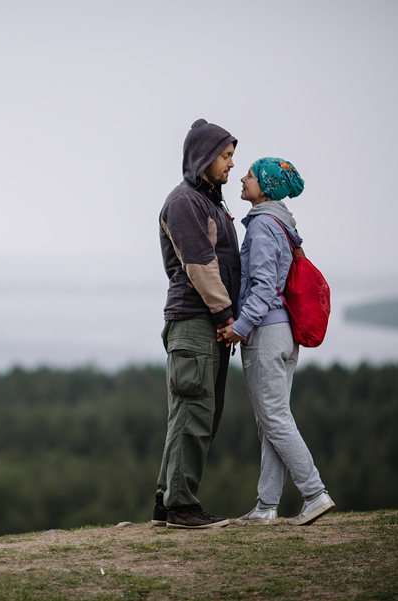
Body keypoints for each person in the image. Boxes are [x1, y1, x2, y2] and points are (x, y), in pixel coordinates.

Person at [218, 157, 335, 526]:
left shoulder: (262, 227)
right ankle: (267, 506)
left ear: (265, 186)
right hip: (284, 334)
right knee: (273, 418)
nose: (242, 177)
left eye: (250, 175)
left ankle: (315, 494)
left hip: (266, 333)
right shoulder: (281, 224)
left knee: (274, 418)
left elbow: (265, 285)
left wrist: (241, 325)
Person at [151, 119, 241, 529]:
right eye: (225, 156)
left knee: (192, 413)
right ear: (204, 157)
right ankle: (182, 508)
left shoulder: (209, 202)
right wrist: (226, 317)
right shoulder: (185, 201)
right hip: (195, 321)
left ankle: (167, 504)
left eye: (231, 156)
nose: (230, 165)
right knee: (194, 414)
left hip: (203, 324)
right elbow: (201, 266)